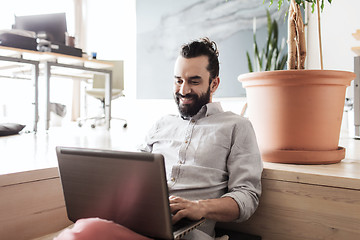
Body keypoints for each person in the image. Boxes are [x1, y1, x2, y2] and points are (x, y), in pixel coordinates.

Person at [55, 37, 263, 240]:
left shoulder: (237, 126)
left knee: (87, 231)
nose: (183, 90)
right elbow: (129, 171)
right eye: (178, 81)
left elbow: (247, 197)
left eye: (194, 81)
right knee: (85, 225)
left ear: (214, 84)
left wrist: (199, 207)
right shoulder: (162, 124)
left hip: (188, 234)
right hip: (138, 222)